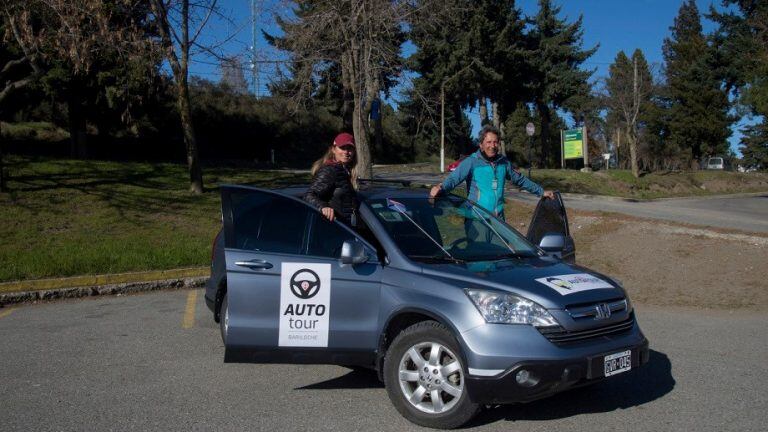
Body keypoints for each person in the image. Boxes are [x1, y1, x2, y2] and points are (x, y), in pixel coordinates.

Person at [430, 125, 554, 219]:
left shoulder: (503, 162)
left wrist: (541, 191)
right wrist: (440, 188)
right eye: (488, 142)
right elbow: (453, 179)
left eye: (495, 142)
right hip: (477, 221)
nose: (492, 145)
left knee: (502, 253)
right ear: (481, 145)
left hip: (499, 221)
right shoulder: (472, 162)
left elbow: (520, 180)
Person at [304, 132, 359, 225]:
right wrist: (323, 207)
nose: (346, 152)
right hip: (335, 227)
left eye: (349, 148)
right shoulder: (330, 170)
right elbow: (309, 195)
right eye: (342, 148)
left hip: (347, 226)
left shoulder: (346, 171)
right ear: (334, 149)